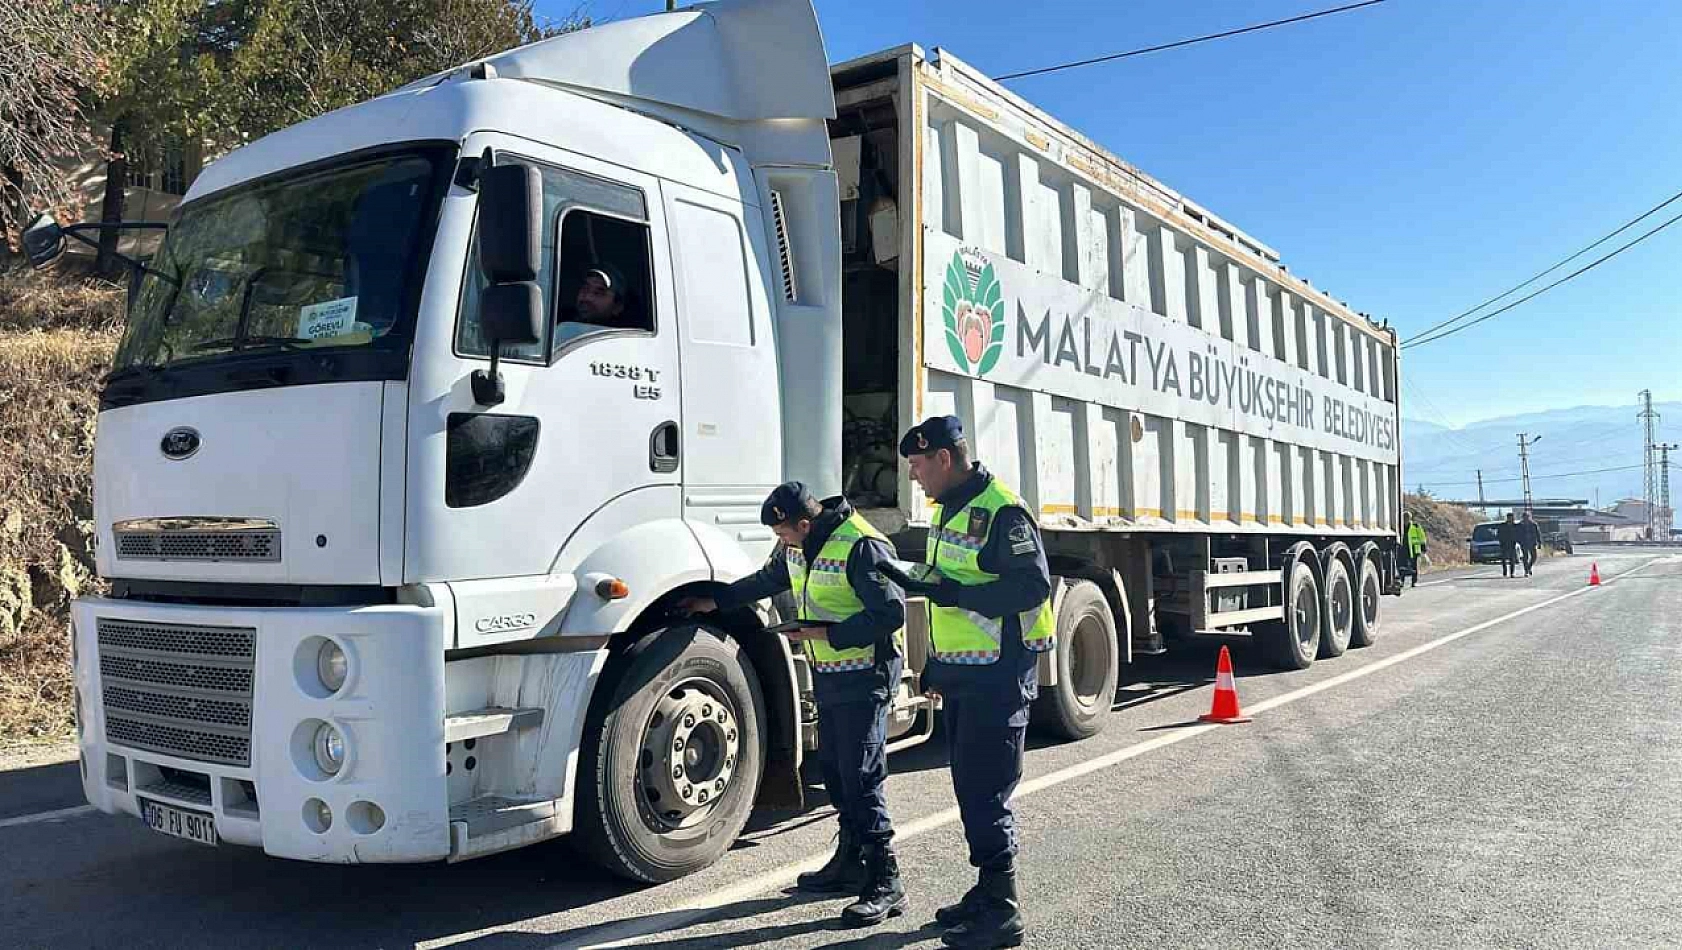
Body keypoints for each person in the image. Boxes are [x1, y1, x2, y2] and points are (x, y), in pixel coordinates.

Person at [678, 482, 909, 926]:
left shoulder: (862, 546)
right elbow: (768, 580)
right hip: (832, 672)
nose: (780, 543)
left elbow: (889, 614)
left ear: (804, 523)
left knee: (861, 773)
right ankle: (851, 860)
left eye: (783, 534)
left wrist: (824, 634)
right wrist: (715, 600)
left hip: (867, 673)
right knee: (838, 770)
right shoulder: (800, 546)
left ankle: (886, 877)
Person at [879, 416, 1053, 950]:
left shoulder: (1003, 510)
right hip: (966, 674)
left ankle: (1003, 913)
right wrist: (937, 666)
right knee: (971, 787)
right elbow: (947, 591)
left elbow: (1031, 587)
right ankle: (987, 891)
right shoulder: (949, 509)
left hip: (999, 675)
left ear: (945, 459)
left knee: (986, 790)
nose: (914, 477)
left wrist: (958, 595)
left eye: (918, 465)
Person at [1400, 512, 1427, 588]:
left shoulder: (1416, 526)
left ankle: (1414, 582)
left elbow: (1422, 538)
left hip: (1414, 550)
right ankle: (1402, 581)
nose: (1406, 520)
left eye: (1407, 518)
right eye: (1404, 518)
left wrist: (1423, 549)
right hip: (1404, 549)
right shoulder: (1400, 527)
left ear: (1410, 518)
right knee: (1402, 566)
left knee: (1414, 567)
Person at [1518, 510, 1542, 577]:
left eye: (1527, 516)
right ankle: (1526, 571)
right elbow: (1517, 534)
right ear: (1523, 517)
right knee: (1525, 557)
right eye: (1524, 517)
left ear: (1529, 517)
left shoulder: (1534, 524)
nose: (1526, 518)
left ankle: (1529, 567)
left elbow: (1538, 534)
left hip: (1532, 543)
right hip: (1524, 543)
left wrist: (1539, 542)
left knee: (1534, 557)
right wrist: (1519, 541)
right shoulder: (1520, 525)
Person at [1497, 512, 1520, 578]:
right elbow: (1499, 534)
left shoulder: (1515, 526)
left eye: (1511, 517)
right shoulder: (1502, 525)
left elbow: (1518, 534)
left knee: (1512, 559)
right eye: (1509, 517)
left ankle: (1512, 573)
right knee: (1503, 559)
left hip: (1512, 544)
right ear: (1507, 518)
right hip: (1504, 544)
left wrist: (1517, 540)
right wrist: (1500, 541)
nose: (1510, 519)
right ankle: (1505, 572)